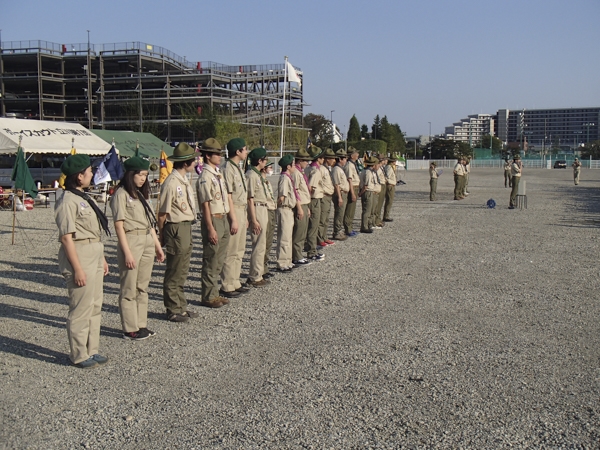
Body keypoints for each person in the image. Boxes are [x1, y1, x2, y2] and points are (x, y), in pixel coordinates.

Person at [55, 154, 110, 369]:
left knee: (95, 305)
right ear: (79, 176)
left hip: (93, 251)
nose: (92, 174)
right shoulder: (67, 201)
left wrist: (102, 258)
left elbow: (94, 232)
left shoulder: (84, 197)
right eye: (89, 172)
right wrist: (77, 269)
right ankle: (78, 354)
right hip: (79, 253)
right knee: (80, 307)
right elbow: (67, 238)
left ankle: (91, 349)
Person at [111, 156, 165, 341]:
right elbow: (119, 225)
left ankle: (141, 324)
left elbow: (150, 223)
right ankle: (129, 328)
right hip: (131, 239)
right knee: (129, 287)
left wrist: (158, 246)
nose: (143, 179)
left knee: (142, 286)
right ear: (130, 174)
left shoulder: (140, 194)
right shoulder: (121, 195)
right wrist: (126, 252)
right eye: (140, 175)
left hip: (147, 239)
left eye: (145, 175)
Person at [157, 142, 199, 323]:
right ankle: (172, 308)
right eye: (194, 160)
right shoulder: (172, 182)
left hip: (186, 226)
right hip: (175, 227)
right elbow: (162, 213)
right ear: (186, 162)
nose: (196, 162)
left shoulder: (183, 181)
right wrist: (162, 235)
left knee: (182, 270)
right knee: (174, 270)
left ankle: (181, 306)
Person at [196, 138, 235, 308]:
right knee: (211, 259)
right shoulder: (205, 176)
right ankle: (208, 296)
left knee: (219, 259)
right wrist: (210, 227)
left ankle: (214, 292)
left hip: (223, 217)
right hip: (214, 218)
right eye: (216, 154)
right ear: (207, 156)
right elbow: (205, 205)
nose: (219, 157)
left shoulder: (217, 174)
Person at [220, 138, 251, 297]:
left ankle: (235, 280)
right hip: (233, 210)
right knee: (231, 250)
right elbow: (229, 196)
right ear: (238, 151)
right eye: (244, 149)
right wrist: (233, 219)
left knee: (239, 250)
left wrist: (244, 216)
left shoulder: (238, 168)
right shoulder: (228, 169)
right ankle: (227, 284)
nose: (246, 152)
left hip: (241, 209)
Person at [246, 147, 271, 286]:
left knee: (262, 243)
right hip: (256, 208)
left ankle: (258, 273)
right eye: (265, 159)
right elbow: (249, 198)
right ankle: (254, 275)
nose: (266, 162)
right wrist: (253, 219)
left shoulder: (257, 175)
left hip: (262, 207)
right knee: (258, 243)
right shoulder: (251, 175)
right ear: (260, 161)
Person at [291, 147, 312, 266]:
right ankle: (296, 256)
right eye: (305, 160)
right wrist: (299, 207)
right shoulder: (296, 173)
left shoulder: (300, 172)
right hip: (299, 205)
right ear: (299, 161)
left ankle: (298, 254)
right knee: (298, 232)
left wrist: (307, 207)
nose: (307, 163)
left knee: (303, 231)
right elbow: (295, 192)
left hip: (304, 204)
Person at [276, 155, 297, 272]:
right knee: (284, 237)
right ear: (288, 167)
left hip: (289, 209)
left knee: (288, 236)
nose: (294, 167)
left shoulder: (289, 177)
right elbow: (282, 196)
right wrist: (279, 206)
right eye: (292, 165)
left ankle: (288, 260)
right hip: (284, 208)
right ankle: (282, 262)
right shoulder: (284, 178)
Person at [304, 146, 325, 261]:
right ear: (319, 159)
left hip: (309, 200)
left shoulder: (307, 169)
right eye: (322, 158)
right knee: (313, 226)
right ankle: (312, 251)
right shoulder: (316, 171)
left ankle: (308, 246)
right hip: (314, 199)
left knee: (309, 226)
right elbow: (310, 187)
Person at [318, 148, 336, 247]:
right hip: (324, 196)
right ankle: (319, 238)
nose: (334, 161)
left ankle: (324, 237)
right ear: (327, 159)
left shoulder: (327, 168)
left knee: (326, 219)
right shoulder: (321, 169)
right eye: (332, 158)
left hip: (328, 196)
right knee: (322, 219)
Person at [262, 161, 277, 279]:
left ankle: (264, 267)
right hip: (265, 211)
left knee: (269, 242)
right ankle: (260, 269)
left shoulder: (266, 181)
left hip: (271, 210)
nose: (271, 169)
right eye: (270, 167)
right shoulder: (259, 180)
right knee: (263, 242)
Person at [331, 149, 350, 240]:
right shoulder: (336, 169)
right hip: (340, 193)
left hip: (343, 193)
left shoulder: (340, 169)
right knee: (339, 213)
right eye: (344, 158)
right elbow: (336, 184)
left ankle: (339, 230)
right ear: (340, 159)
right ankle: (337, 232)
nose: (345, 160)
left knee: (341, 213)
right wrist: (339, 197)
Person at [358, 155, 378, 233]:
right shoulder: (368, 172)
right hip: (368, 191)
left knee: (367, 209)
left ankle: (366, 225)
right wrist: (361, 193)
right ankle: (364, 226)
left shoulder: (365, 170)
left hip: (367, 191)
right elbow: (366, 185)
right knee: (367, 210)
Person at [343, 147, 361, 237]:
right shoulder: (349, 165)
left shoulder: (353, 164)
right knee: (349, 209)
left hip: (355, 187)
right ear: (351, 155)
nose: (357, 155)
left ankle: (350, 226)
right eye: (356, 154)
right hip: (352, 187)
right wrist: (352, 192)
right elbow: (349, 179)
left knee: (352, 209)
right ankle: (348, 228)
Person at [373, 154, 387, 227]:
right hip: (380, 185)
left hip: (382, 185)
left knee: (380, 204)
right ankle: (376, 220)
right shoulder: (378, 169)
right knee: (378, 205)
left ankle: (378, 219)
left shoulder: (381, 167)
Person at [382, 155, 397, 222]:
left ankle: (386, 215)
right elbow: (387, 177)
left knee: (389, 201)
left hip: (391, 184)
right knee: (389, 201)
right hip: (390, 185)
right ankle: (386, 216)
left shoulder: (390, 167)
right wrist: (390, 182)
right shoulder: (389, 167)